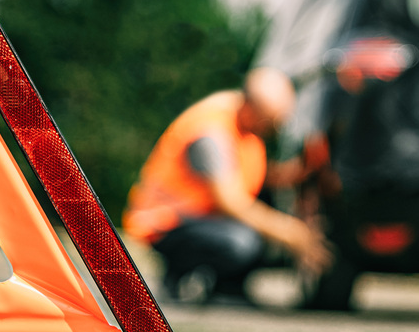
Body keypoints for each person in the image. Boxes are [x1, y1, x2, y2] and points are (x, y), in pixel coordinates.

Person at [122, 67, 333, 303]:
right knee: (243, 242)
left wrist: (300, 171)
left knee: (260, 223)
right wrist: (290, 233)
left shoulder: (242, 122)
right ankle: (179, 273)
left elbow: (247, 178)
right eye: (271, 123)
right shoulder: (211, 132)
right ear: (252, 109)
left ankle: (230, 288)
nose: (275, 129)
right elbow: (230, 202)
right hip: (166, 222)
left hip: (202, 216)